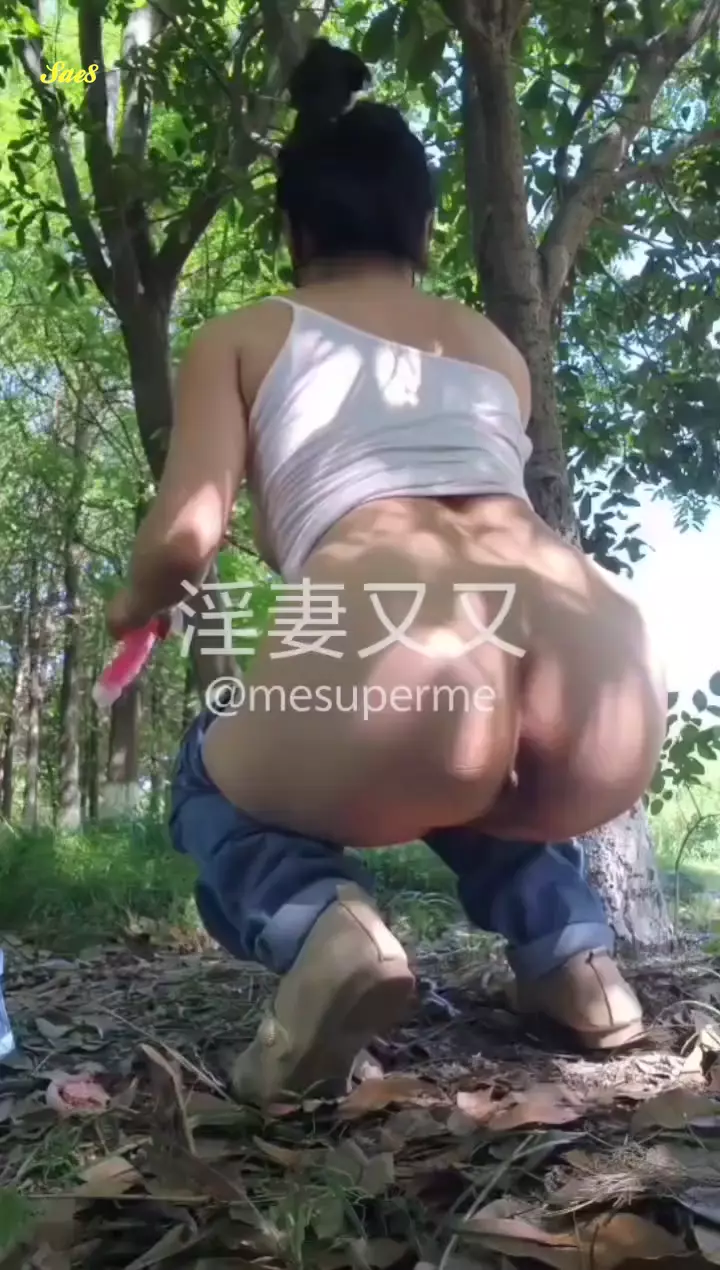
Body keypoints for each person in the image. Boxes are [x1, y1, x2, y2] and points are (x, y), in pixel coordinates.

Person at [106, 40, 667, 1104]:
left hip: (398, 670)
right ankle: (576, 959)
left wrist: (132, 607)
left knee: (207, 771)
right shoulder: (489, 347)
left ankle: (326, 929)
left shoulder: (244, 335)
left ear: (294, 231)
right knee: (476, 759)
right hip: (607, 692)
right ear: (423, 229)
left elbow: (183, 538)